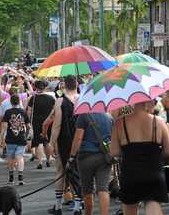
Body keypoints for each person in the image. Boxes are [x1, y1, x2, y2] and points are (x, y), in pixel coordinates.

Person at [111, 101, 169, 215]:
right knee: (153, 205)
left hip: (130, 173)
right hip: (154, 171)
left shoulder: (120, 123)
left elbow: (114, 151)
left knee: (130, 208)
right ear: (147, 102)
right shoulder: (158, 121)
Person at [68, 113, 113, 215]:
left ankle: (88, 213)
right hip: (104, 157)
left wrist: (72, 156)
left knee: (87, 189)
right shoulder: (109, 117)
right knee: (103, 188)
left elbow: (78, 137)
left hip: (86, 156)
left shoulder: (83, 116)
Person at [48, 75, 79, 215]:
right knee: (78, 173)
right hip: (80, 141)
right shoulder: (82, 99)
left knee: (60, 172)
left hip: (64, 141)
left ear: (64, 85)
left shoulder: (60, 101)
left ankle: (58, 206)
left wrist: (52, 143)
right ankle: (78, 206)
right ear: (77, 84)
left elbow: (57, 125)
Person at [1, 94, 30, 185]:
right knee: (19, 157)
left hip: (10, 138)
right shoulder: (23, 112)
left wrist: (1, 137)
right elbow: (28, 125)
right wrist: (26, 134)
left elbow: (4, 126)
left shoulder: (7, 112)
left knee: (11, 158)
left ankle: (11, 178)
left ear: (10, 102)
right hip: (21, 138)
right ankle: (20, 177)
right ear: (19, 101)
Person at [27, 80, 55, 169]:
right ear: (45, 87)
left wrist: (28, 121)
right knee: (47, 142)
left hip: (36, 122)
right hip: (48, 122)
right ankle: (48, 160)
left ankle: (39, 162)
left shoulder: (33, 98)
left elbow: (29, 111)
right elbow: (54, 111)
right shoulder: (51, 98)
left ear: (36, 88)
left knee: (38, 143)